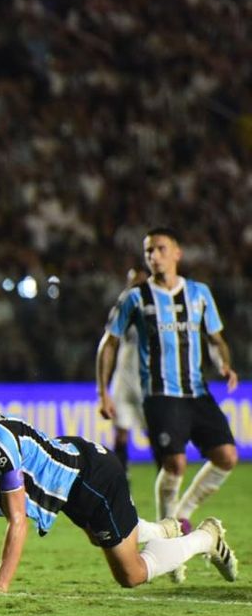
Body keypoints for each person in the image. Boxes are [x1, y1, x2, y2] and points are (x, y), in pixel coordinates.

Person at [0, 377, 237, 592]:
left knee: (131, 575)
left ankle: (205, 538)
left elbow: (18, 519)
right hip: (68, 479)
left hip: (91, 477)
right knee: (104, 538)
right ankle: (163, 531)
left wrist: (0, 586)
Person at [96, 227, 239, 581]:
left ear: (177, 253)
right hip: (160, 395)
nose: (153, 256)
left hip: (197, 391)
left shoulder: (199, 293)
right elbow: (109, 342)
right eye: (148, 251)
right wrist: (103, 392)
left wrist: (224, 363)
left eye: (160, 249)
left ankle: (177, 521)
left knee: (227, 456)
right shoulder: (135, 298)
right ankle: (170, 538)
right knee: (174, 463)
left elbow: (216, 338)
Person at [106, 269, 149, 473]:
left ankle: (167, 482)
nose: (134, 287)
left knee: (158, 435)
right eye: (131, 283)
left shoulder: (158, 310)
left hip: (147, 382)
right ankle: (122, 479)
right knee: (120, 433)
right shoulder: (122, 309)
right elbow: (110, 343)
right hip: (123, 379)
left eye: (139, 283)